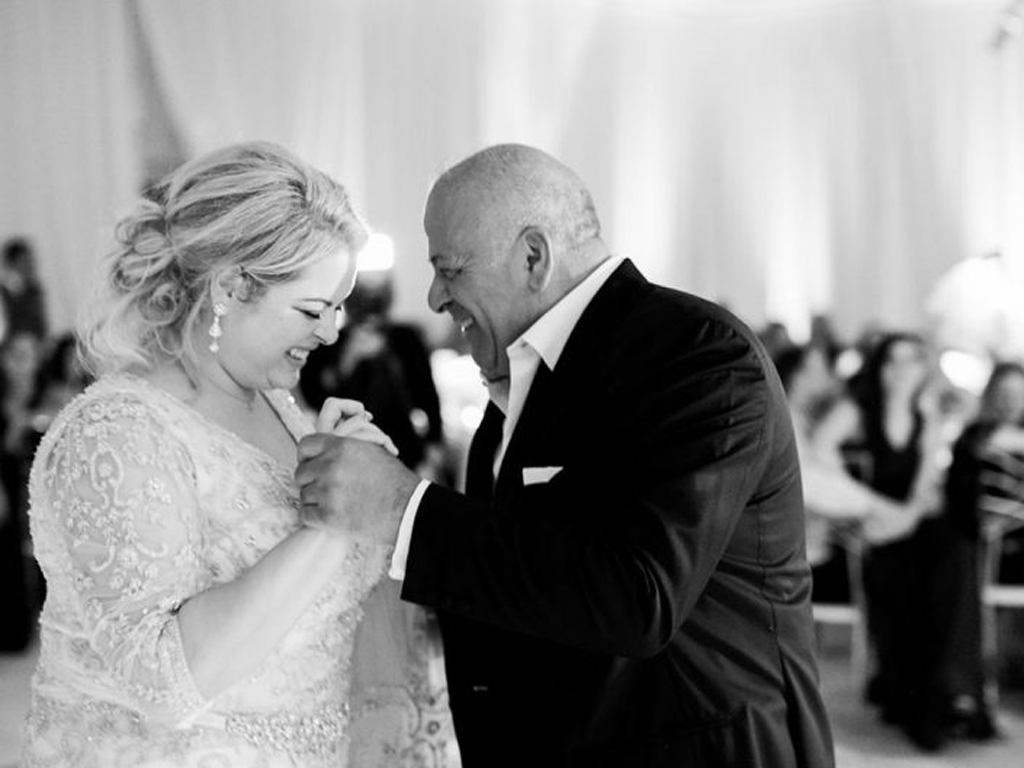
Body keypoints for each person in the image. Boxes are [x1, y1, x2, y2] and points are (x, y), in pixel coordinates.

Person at [296, 143, 835, 767]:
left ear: (534, 256)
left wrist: (401, 509)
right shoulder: (515, 383)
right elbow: (512, 582)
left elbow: (637, 598)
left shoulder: (697, 355)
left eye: (451, 268)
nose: (436, 297)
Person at [22, 141, 400, 768]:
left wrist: (346, 470)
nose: (332, 331)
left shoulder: (278, 406)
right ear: (230, 287)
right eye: (313, 309)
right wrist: (333, 522)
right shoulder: (114, 434)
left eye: (338, 308)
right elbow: (165, 682)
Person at [831, 331, 964, 750]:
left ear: (924, 367)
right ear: (880, 366)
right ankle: (909, 692)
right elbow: (816, 455)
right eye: (894, 359)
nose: (903, 368)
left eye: (913, 359)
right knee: (902, 577)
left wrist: (904, 519)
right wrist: (865, 505)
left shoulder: (928, 414)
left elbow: (923, 488)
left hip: (912, 524)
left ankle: (934, 695)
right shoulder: (856, 410)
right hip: (873, 527)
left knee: (949, 555)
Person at [942, 360, 1024, 740]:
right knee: (958, 562)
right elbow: (958, 503)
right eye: (1003, 393)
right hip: (983, 548)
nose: (1010, 402)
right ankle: (966, 691)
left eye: (1017, 394)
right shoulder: (972, 439)